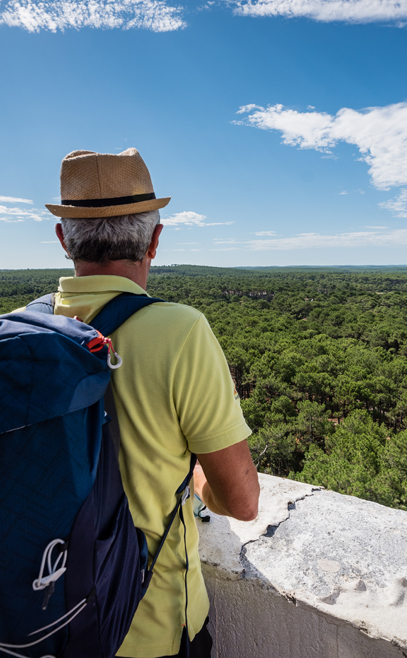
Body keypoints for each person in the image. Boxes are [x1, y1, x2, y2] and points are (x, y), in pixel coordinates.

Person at [41, 148, 260, 658]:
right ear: (155, 241)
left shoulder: (21, 330)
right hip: (150, 625)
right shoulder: (181, 330)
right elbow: (243, 501)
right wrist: (199, 480)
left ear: (62, 239)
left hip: (41, 620)